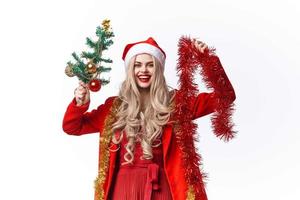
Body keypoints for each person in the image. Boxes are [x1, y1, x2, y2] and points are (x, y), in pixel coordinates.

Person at [62, 36, 236, 200]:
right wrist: (80, 104)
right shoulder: (113, 107)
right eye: (137, 65)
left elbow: (225, 97)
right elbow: (72, 127)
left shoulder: (177, 105)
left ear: (158, 69)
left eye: (150, 65)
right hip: (121, 192)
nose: (143, 70)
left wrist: (207, 60)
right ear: (131, 70)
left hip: (162, 190)